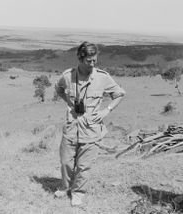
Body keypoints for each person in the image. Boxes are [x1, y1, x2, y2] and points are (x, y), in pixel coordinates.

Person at [54, 41, 125, 207]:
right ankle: (66, 187)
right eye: (89, 61)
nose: (92, 64)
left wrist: (106, 110)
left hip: (92, 128)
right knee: (65, 161)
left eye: (95, 60)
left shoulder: (102, 77)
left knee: (83, 166)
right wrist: (69, 103)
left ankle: (78, 192)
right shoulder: (67, 76)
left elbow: (120, 94)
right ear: (80, 58)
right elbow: (58, 89)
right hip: (72, 126)